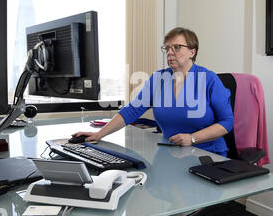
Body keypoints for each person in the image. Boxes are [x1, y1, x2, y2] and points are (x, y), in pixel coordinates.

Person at [73, 27, 234, 157]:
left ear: (192, 52)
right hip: (170, 153)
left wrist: (192, 138)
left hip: (207, 155)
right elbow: (132, 110)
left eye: (177, 47)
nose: (170, 52)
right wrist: (99, 134)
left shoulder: (209, 79)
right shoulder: (158, 79)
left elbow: (227, 122)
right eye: (167, 48)